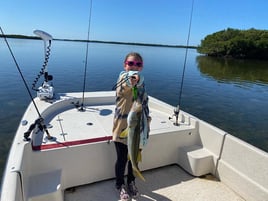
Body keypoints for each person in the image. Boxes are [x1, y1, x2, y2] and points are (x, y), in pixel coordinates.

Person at [112, 52, 150, 200]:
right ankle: (120, 185)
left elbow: (144, 103)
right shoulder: (123, 79)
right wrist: (135, 79)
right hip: (122, 128)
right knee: (122, 159)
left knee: (135, 158)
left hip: (140, 129)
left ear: (142, 66)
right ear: (125, 65)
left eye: (138, 64)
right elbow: (130, 80)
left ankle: (132, 181)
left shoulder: (142, 84)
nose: (134, 67)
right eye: (131, 63)